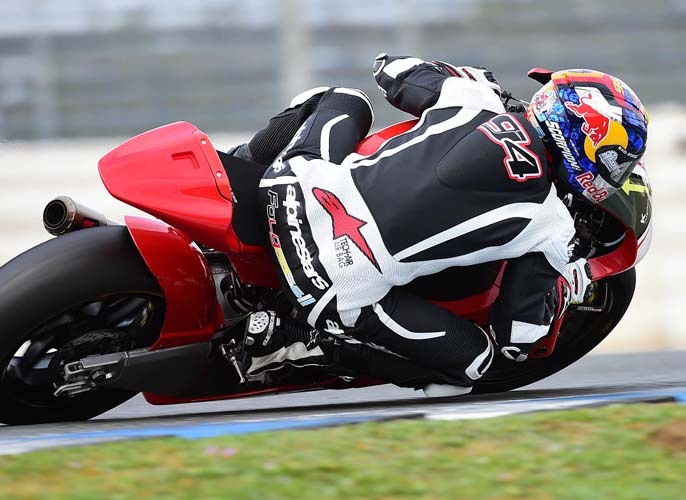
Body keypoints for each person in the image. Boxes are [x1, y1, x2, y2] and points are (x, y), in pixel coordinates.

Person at [231, 53, 648, 396]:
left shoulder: (476, 99)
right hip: (331, 282)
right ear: (590, 153)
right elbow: (517, 339)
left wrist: (462, 77)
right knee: (472, 365)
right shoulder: (554, 225)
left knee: (343, 98)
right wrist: (563, 287)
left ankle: (235, 166)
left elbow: (389, 69)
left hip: (291, 187)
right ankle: (294, 343)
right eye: (619, 161)